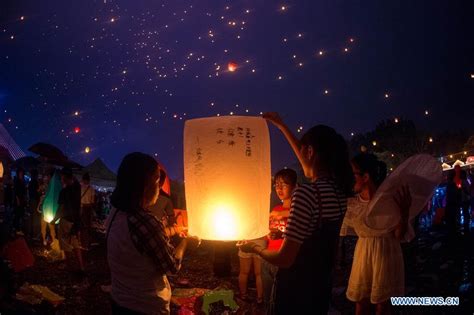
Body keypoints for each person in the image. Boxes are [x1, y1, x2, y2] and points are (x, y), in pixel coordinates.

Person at [239, 112, 354, 314]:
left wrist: (255, 249)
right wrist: (282, 126)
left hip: (296, 288)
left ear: (310, 152)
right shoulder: (338, 193)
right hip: (320, 285)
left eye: (304, 151)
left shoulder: (306, 193)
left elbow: (285, 259)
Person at [106, 152, 196, 314]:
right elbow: (172, 267)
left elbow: (142, 241)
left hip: (119, 300)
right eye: (156, 179)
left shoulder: (114, 214)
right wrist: (185, 242)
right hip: (146, 306)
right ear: (143, 185)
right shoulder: (145, 221)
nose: (159, 186)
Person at [341, 153, 410, 315]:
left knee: (382, 305)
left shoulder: (389, 201)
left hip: (386, 254)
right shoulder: (352, 205)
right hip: (363, 254)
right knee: (361, 302)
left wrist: (405, 214)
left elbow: (399, 236)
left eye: (353, 174)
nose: (350, 178)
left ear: (365, 177)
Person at [261, 168, 297, 311]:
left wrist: (282, 235)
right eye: (276, 184)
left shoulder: (297, 210)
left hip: (284, 259)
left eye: (284, 184)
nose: (279, 188)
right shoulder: (276, 208)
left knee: (279, 299)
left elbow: (297, 235)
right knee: (267, 295)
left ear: (294, 186)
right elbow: (268, 230)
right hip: (268, 256)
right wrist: (268, 234)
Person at [52, 167, 84, 272]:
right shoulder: (77, 188)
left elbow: (60, 208)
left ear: (65, 177)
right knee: (75, 244)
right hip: (75, 221)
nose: (61, 179)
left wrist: (54, 219)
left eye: (62, 177)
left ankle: (68, 265)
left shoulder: (64, 192)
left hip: (65, 221)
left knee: (65, 244)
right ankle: (81, 267)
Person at [80, 173, 95, 249]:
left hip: (81, 208)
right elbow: (92, 202)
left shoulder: (80, 187)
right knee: (88, 226)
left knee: (82, 226)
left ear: (83, 179)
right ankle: (87, 243)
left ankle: (83, 243)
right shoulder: (92, 188)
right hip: (88, 209)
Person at [13, 168, 27, 234]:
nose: (21, 174)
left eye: (22, 173)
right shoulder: (17, 181)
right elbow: (15, 192)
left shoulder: (22, 181)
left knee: (20, 214)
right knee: (18, 214)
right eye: (20, 173)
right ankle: (17, 229)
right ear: (18, 174)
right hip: (18, 200)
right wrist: (17, 200)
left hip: (22, 200)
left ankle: (18, 228)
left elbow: (23, 191)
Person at [28, 169, 41, 240]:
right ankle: (34, 234)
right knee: (35, 217)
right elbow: (37, 192)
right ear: (35, 175)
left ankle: (30, 233)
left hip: (31, 200)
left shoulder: (30, 182)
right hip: (35, 201)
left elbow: (30, 191)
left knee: (31, 216)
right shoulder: (35, 182)